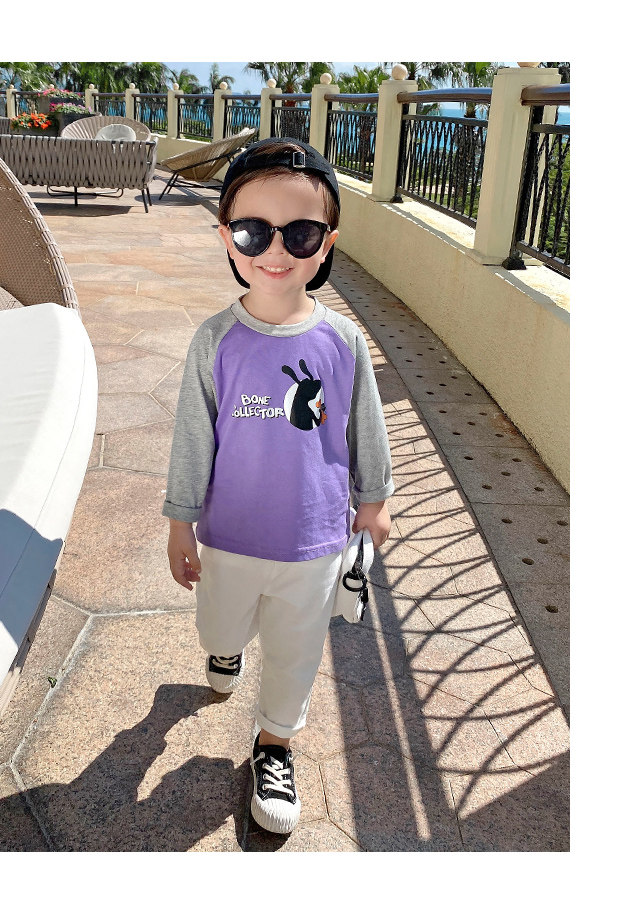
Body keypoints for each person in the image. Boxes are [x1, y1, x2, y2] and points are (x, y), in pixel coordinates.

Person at [162, 137, 393, 834]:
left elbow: (365, 428)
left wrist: (374, 501)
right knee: (219, 622)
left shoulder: (343, 343)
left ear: (326, 244)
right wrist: (180, 520)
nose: (276, 250)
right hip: (229, 533)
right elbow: (194, 436)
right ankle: (226, 645)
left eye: (300, 233)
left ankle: (274, 743)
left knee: (296, 653)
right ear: (227, 237)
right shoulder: (214, 340)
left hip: (314, 540)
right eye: (252, 231)